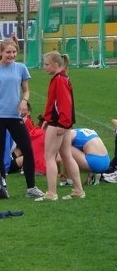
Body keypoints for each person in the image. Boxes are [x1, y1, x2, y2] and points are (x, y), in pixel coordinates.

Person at [0, 37, 44, 198]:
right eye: (8, 52)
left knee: (27, 149)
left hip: (15, 116)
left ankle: (31, 188)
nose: (11, 55)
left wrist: (24, 101)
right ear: (1, 52)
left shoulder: (21, 68)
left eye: (14, 52)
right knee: (0, 151)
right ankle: (1, 185)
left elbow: (26, 91)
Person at [35, 51, 84, 202]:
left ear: (56, 64)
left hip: (59, 124)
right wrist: (46, 118)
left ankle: (51, 193)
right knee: (66, 155)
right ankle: (78, 190)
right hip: (62, 123)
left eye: (46, 64)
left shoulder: (59, 80)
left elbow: (64, 103)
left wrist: (61, 123)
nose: (44, 67)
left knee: (49, 156)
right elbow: (55, 103)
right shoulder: (61, 78)